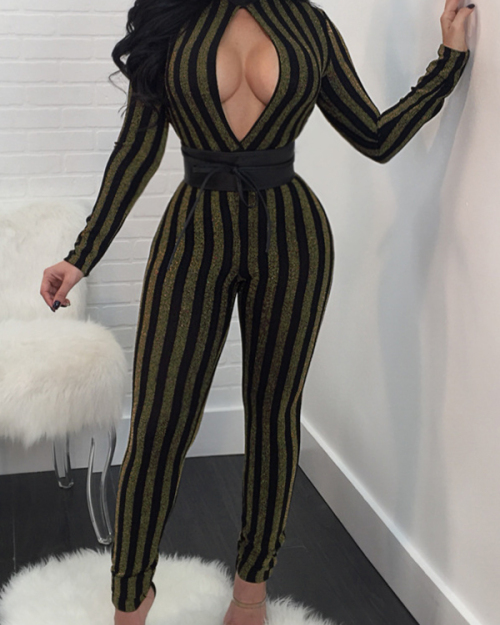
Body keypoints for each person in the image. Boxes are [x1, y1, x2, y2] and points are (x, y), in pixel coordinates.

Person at [40, 0, 474, 623]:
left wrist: (448, 61)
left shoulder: (309, 25)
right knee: (159, 423)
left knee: (274, 417)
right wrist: (81, 255)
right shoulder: (171, 23)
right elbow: (136, 151)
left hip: (294, 238)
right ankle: (130, 597)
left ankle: (251, 594)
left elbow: (374, 137)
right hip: (193, 236)